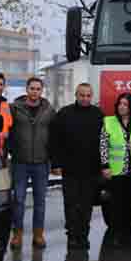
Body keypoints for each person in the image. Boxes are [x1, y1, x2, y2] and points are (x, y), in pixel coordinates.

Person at [49, 83, 105, 250]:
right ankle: (72, 236)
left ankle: (83, 236)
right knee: (71, 204)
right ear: (76, 95)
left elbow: (104, 142)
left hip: (91, 169)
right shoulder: (64, 113)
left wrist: (103, 165)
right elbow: (54, 140)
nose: (85, 98)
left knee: (87, 206)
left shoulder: (98, 114)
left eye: (88, 95)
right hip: (70, 168)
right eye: (82, 95)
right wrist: (56, 163)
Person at [9, 76, 55, 250]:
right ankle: (17, 235)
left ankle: (38, 235)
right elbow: (8, 131)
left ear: (41, 91)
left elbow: (55, 135)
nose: (35, 92)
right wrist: (12, 151)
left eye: (38, 89)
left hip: (41, 163)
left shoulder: (49, 110)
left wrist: (53, 158)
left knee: (40, 202)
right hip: (20, 162)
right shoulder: (15, 108)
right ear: (26, 89)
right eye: (32, 88)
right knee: (19, 200)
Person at [100, 93, 131, 246]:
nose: (122, 107)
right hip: (115, 172)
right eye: (120, 104)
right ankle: (115, 234)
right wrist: (105, 166)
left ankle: (129, 234)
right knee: (115, 205)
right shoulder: (108, 121)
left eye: (125, 104)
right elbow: (103, 146)